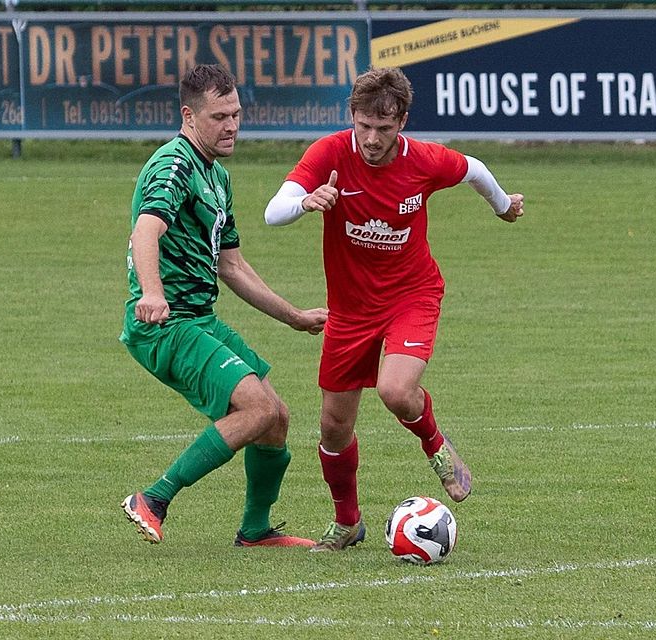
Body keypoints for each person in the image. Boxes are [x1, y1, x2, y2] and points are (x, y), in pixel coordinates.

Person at [264, 66, 525, 552]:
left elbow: (473, 168)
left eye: (383, 129)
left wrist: (502, 206)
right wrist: (307, 202)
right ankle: (347, 523)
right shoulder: (330, 154)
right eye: (364, 126)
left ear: (401, 122)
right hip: (349, 310)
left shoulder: (424, 160)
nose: (371, 139)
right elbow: (272, 212)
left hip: (412, 294)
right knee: (333, 427)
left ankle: (437, 448)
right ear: (352, 118)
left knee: (395, 390)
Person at [119, 64, 328, 548]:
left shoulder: (216, 176)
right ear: (189, 116)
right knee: (255, 409)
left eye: (236, 114)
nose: (232, 125)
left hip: (200, 321)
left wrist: (293, 316)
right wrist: (152, 292)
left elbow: (231, 267)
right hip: (165, 325)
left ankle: (255, 531)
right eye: (220, 116)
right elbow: (146, 229)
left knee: (275, 415)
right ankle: (154, 498)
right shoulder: (175, 165)